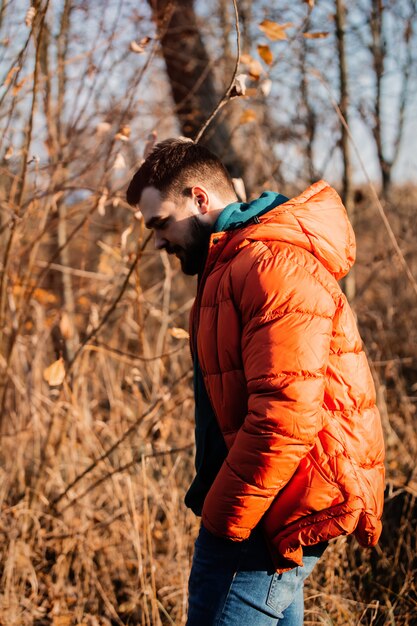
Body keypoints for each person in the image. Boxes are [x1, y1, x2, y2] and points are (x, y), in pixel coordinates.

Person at [126, 138, 385, 626]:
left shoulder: (269, 266)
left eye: (160, 224)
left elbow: (285, 414)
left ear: (200, 199)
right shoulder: (230, 263)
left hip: (263, 513)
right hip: (264, 504)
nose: (157, 242)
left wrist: (224, 520)